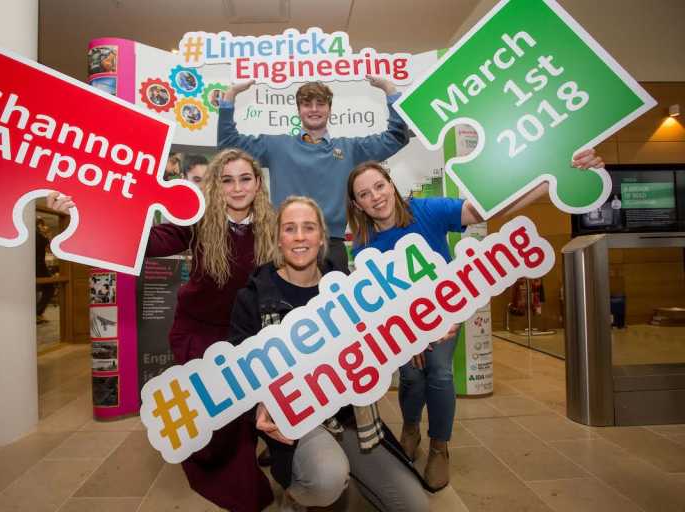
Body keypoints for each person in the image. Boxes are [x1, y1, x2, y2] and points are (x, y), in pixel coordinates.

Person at [345, 149, 604, 491]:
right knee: (411, 376)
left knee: (439, 372)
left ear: (391, 185)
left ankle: (439, 447)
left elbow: (484, 208)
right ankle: (410, 428)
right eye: (365, 194)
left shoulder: (427, 210)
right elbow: (378, 304)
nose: (376, 197)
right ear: (358, 205)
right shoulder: (364, 245)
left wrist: (550, 180)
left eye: (379, 186)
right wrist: (409, 335)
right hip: (402, 325)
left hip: (445, 315)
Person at [48, 148, 277, 512]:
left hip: (244, 337)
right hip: (198, 332)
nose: (237, 188)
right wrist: (81, 211)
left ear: (258, 183)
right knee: (216, 416)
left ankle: (241, 476)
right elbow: (146, 240)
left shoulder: (272, 226)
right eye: (227, 180)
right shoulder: (199, 220)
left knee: (239, 417)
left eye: (245, 179)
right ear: (216, 185)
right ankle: (213, 467)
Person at [230, 196, 431, 512]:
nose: (300, 237)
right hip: (299, 423)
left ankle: (341, 467)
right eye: (290, 229)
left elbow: (385, 331)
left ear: (322, 237)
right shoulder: (253, 298)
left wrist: (426, 328)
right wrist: (259, 405)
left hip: (351, 417)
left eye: (309, 228)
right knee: (326, 479)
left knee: (413, 505)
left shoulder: (349, 290)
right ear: (278, 239)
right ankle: (295, 498)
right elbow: (238, 376)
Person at [218, 78, 410, 272]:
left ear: (329, 109)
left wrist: (389, 89)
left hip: (331, 246)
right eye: (307, 104)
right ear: (299, 110)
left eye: (320, 103)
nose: (314, 109)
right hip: (285, 245)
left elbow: (396, 137)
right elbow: (228, 143)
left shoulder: (349, 149)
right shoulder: (276, 146)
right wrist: (230, 96)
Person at [35, 217, 54, 324]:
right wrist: (48, 235)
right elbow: (51, 249)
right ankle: (37, 313)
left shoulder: (31, 236)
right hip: (39, 266)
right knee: (50, 288)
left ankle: (37, 313)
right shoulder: (40, 237)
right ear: (39, 225)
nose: (44, 227)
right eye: (42, 225)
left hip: (31, 266)